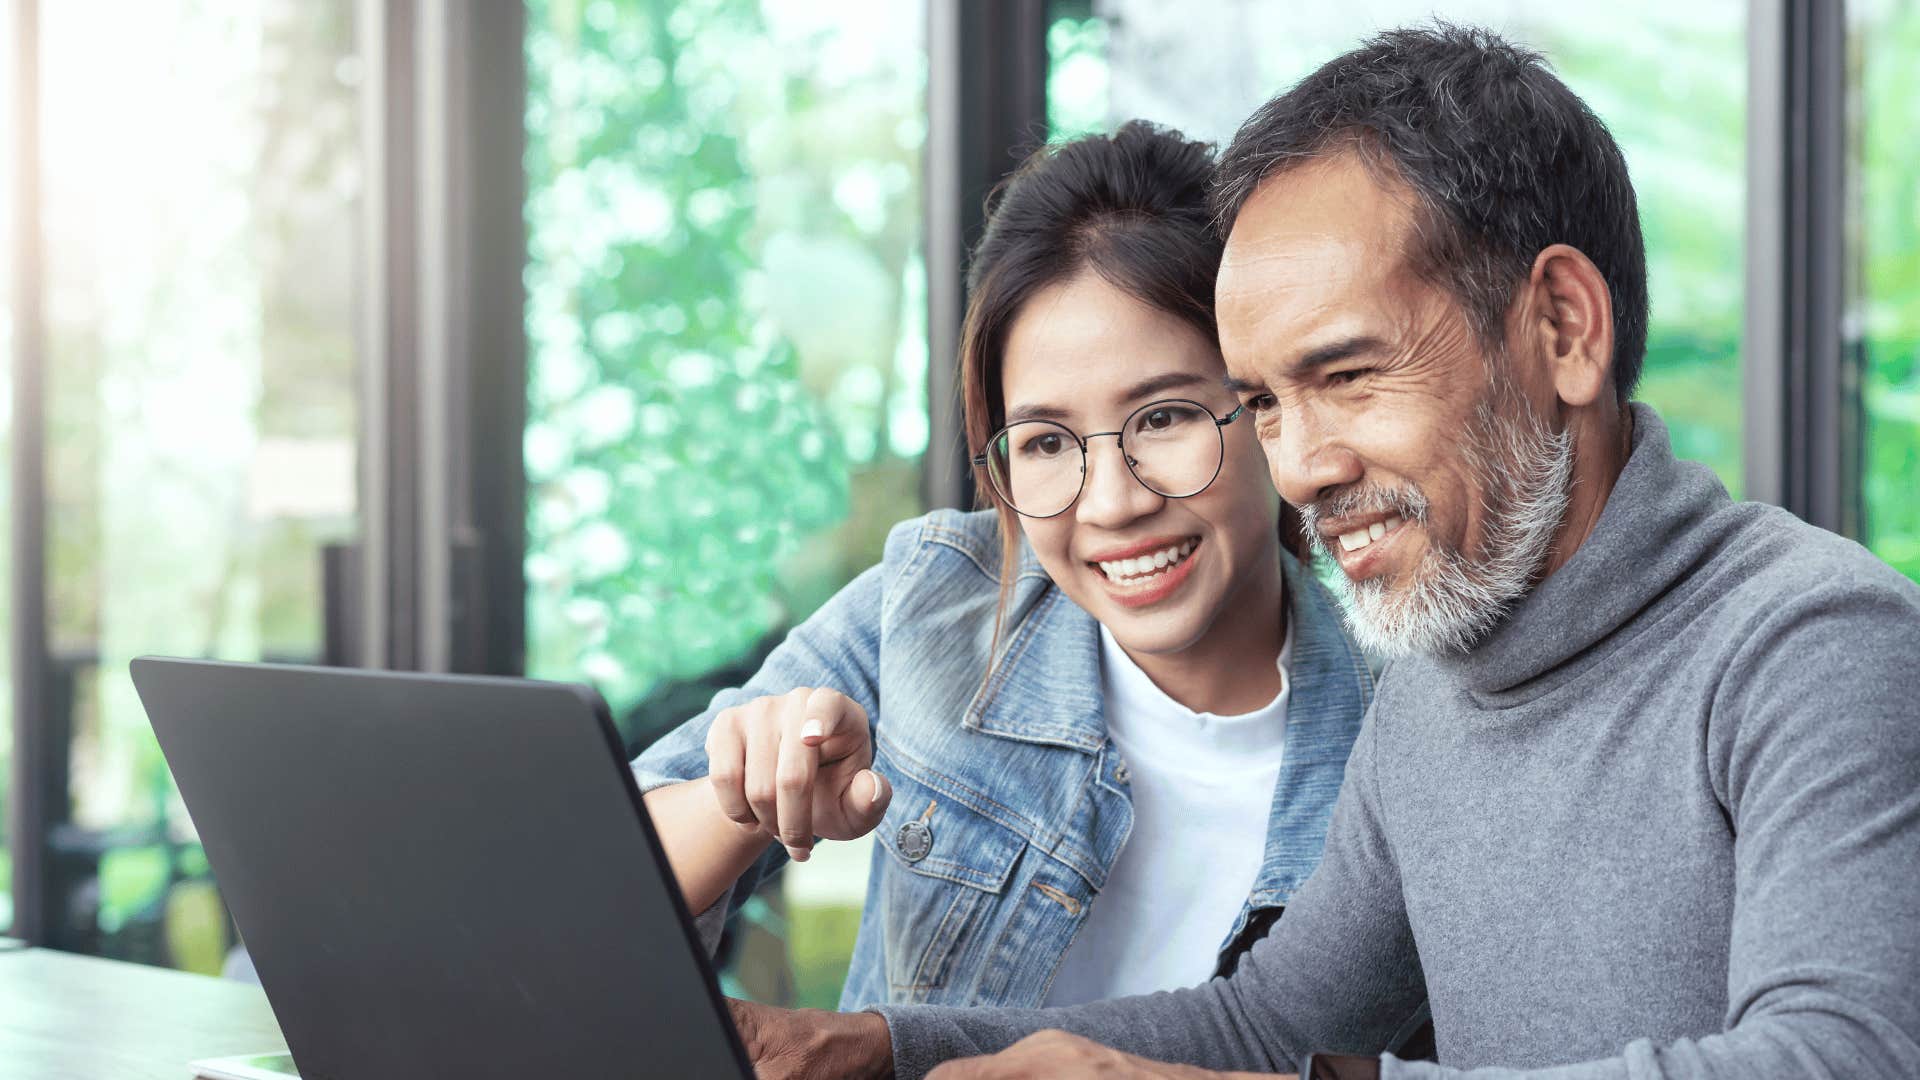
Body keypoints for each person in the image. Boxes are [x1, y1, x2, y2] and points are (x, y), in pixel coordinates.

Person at [726, 25, 1920, 1080]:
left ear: (1562, 329)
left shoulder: (1815, 644)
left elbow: (1840, 1059)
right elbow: (1270, 1025)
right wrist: (878, 1049)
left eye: (1346, 376)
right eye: (1268, 404)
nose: (1299, 469)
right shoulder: (1437, 695)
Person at [631, 122, 1375, 1027]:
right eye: (1048, 443)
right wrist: (745, 799)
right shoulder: (938, 599)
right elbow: (589, 896)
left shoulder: (1395, 730)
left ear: (1265, 406)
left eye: (1165, 418)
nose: (1110, 503)